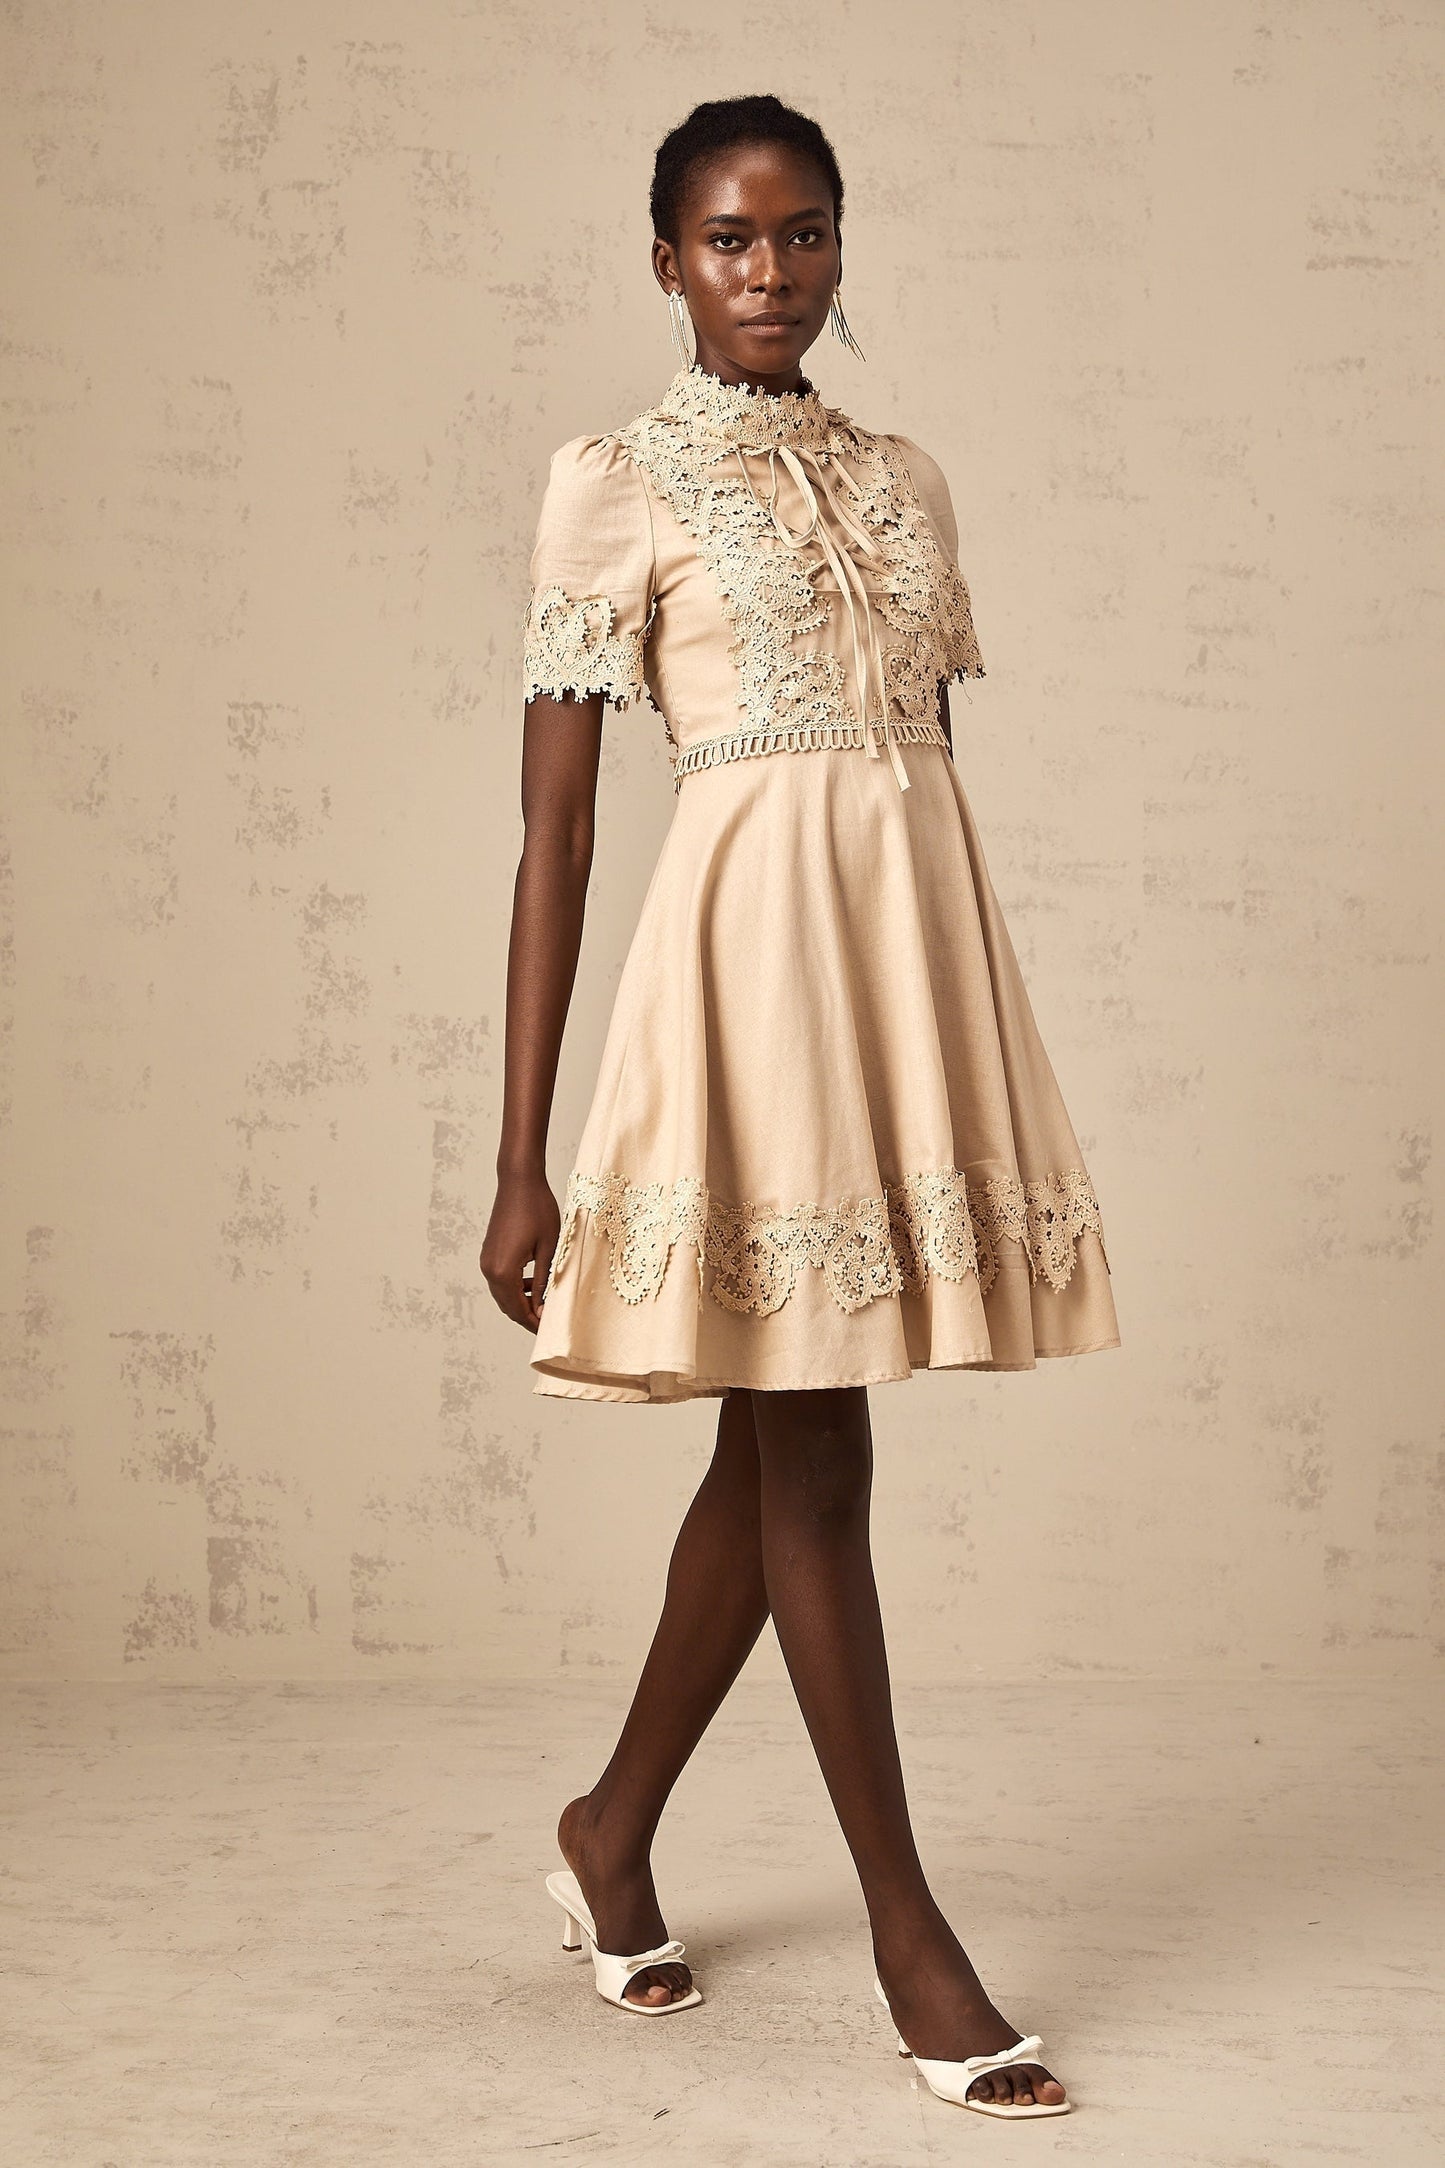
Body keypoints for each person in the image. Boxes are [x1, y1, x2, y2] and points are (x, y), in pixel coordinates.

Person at [481, 93, 1121, 2120]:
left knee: (784, 1454)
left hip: (900, 978)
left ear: (841, 245)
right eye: (729, 242)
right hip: (743, 992)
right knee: (816, 1453)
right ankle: (911, 1941)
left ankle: (608, 1829)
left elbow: (906, 767)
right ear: (662, 257)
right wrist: (524, 1151)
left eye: (804, 234)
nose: (771, 274)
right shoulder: (613, 482)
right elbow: (557, 830)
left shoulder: (908, 481)